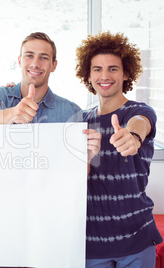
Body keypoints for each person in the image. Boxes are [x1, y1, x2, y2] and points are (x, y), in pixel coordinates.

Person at [75, 31, 163, 267]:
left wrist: (133, 136)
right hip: (91, 242)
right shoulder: (79, 120)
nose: (105, 75)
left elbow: (141, 125)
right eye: (97, 69)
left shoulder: (139, 112)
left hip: (138, 239)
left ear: (126, 73)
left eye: (113, 68)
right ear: (88, 74)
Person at [0, 31, 82, 124]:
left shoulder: (72, 112)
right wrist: (12, 114)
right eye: (29, 56)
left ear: (53, 65)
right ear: (19, 61)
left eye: (44, 57)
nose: (35, 64)